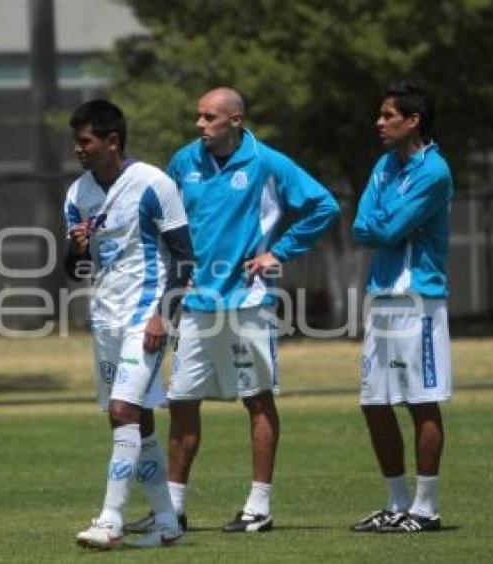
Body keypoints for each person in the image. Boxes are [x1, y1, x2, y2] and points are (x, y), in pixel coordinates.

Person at [126, 87, 339, 534]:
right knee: (182, 400)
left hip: (249, 300)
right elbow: (164, 220)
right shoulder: (185, 161)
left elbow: (323, 205)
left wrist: (279, 251)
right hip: (196, 301)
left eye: (209, 118)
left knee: (257, 399)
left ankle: (258, 507)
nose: (199, 125)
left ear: (236, 121)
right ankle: (172, 510)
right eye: (198, 116)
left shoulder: (268, 163)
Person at [63, 99, 194, 549]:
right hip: (106, 320)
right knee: (135, 419)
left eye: (86, 141)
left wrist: (164, 314)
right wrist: (78, 249)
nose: (78, 150)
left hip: (146, 317)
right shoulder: (77, 194)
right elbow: (74, 271)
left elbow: (184, 256)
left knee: (123, 412)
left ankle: (109, 520)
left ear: (112, 141)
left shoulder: (153, 183)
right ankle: (165, 520)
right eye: (76, 142)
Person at [350, 80, 453, 533]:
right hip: (383, 298)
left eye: (388, 115)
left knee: (421, 401)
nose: (379, 121)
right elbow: (361, 225)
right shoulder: (383, 164)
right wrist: (382, 220)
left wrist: (382, 220)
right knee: (374, 402)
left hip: (419, 300)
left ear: (413, 121)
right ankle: (397, 503)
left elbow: (387, 230)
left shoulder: (434, 172)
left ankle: (425, 509)